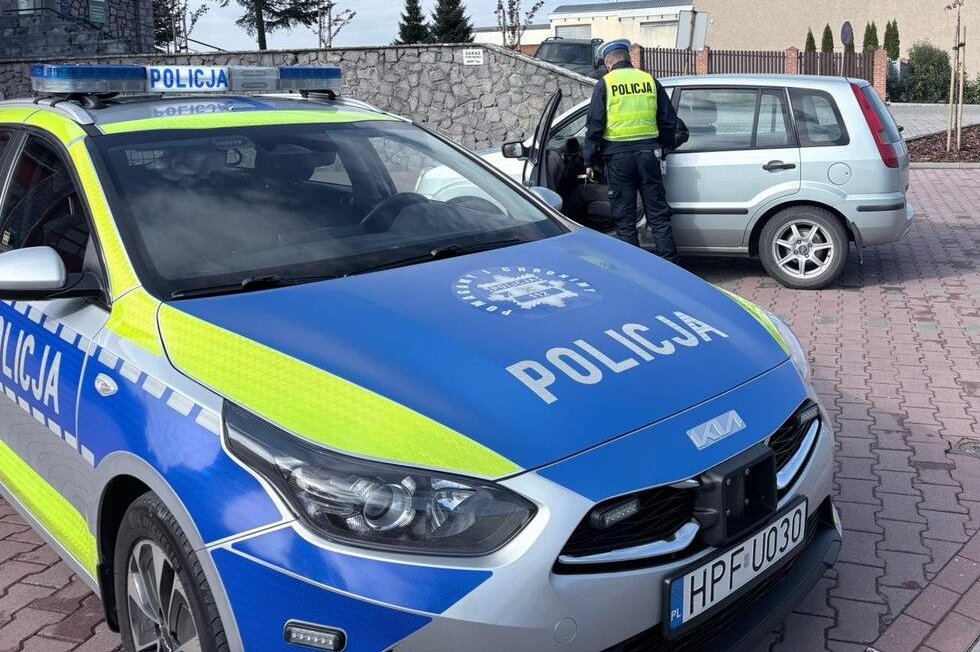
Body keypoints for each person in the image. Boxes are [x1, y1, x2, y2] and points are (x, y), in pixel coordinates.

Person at [584, 38, 678, 258]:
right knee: (658, 215)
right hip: (649, 156)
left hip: (618, 159)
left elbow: (595, 126)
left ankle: (634, 268)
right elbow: (669, 120)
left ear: (608, 63)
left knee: (625, 219)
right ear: (628, 58)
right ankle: (671, 266)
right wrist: (663, 148)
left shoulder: (605, 84)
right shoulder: (649, 80)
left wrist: (590, 159)